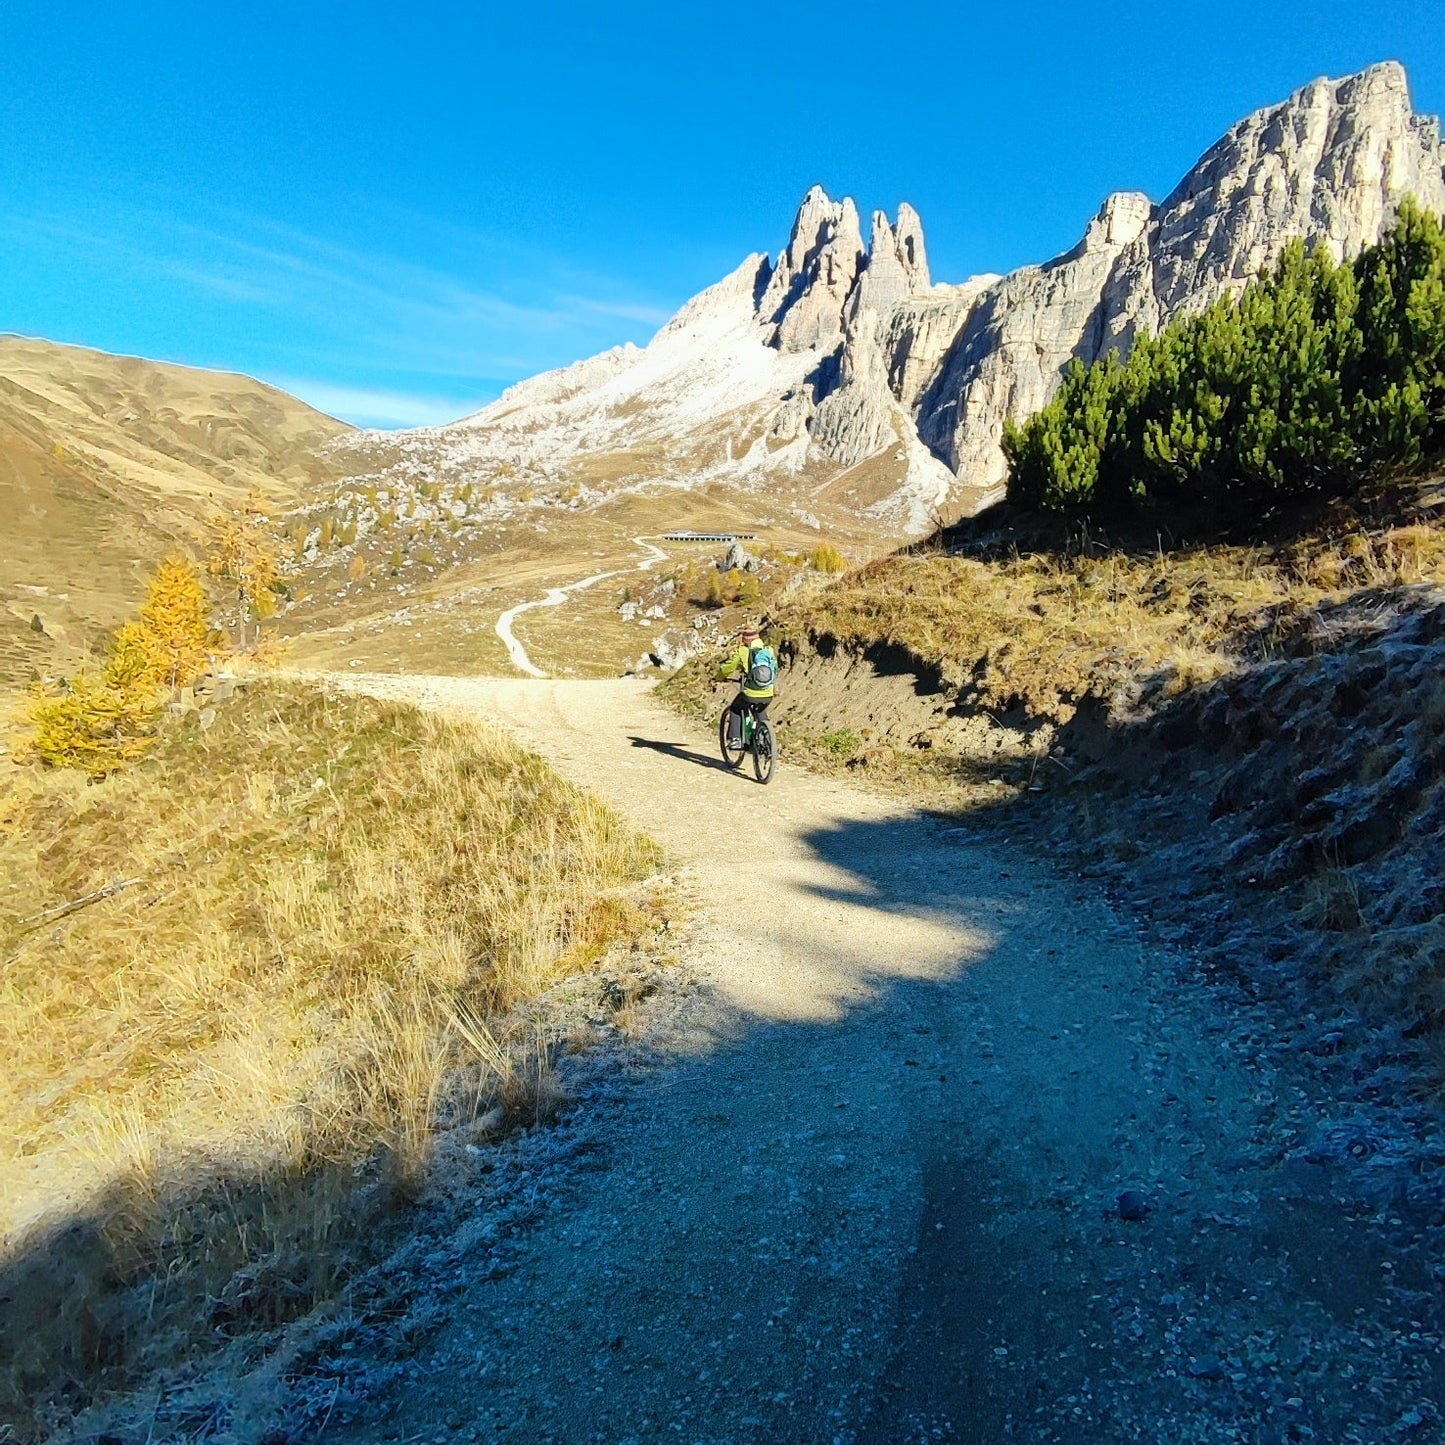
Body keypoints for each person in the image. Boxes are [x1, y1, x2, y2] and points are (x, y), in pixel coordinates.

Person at [717, 623, 777, 748]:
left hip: (750, 693)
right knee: (759, 710)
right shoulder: (768, 650)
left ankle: (736, 739)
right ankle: (766, 737)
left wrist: (719, 677)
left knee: (736, 708)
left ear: (745, 640)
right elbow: (775, 668)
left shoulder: (743, 651)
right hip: (768, 692)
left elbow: (729, 667)